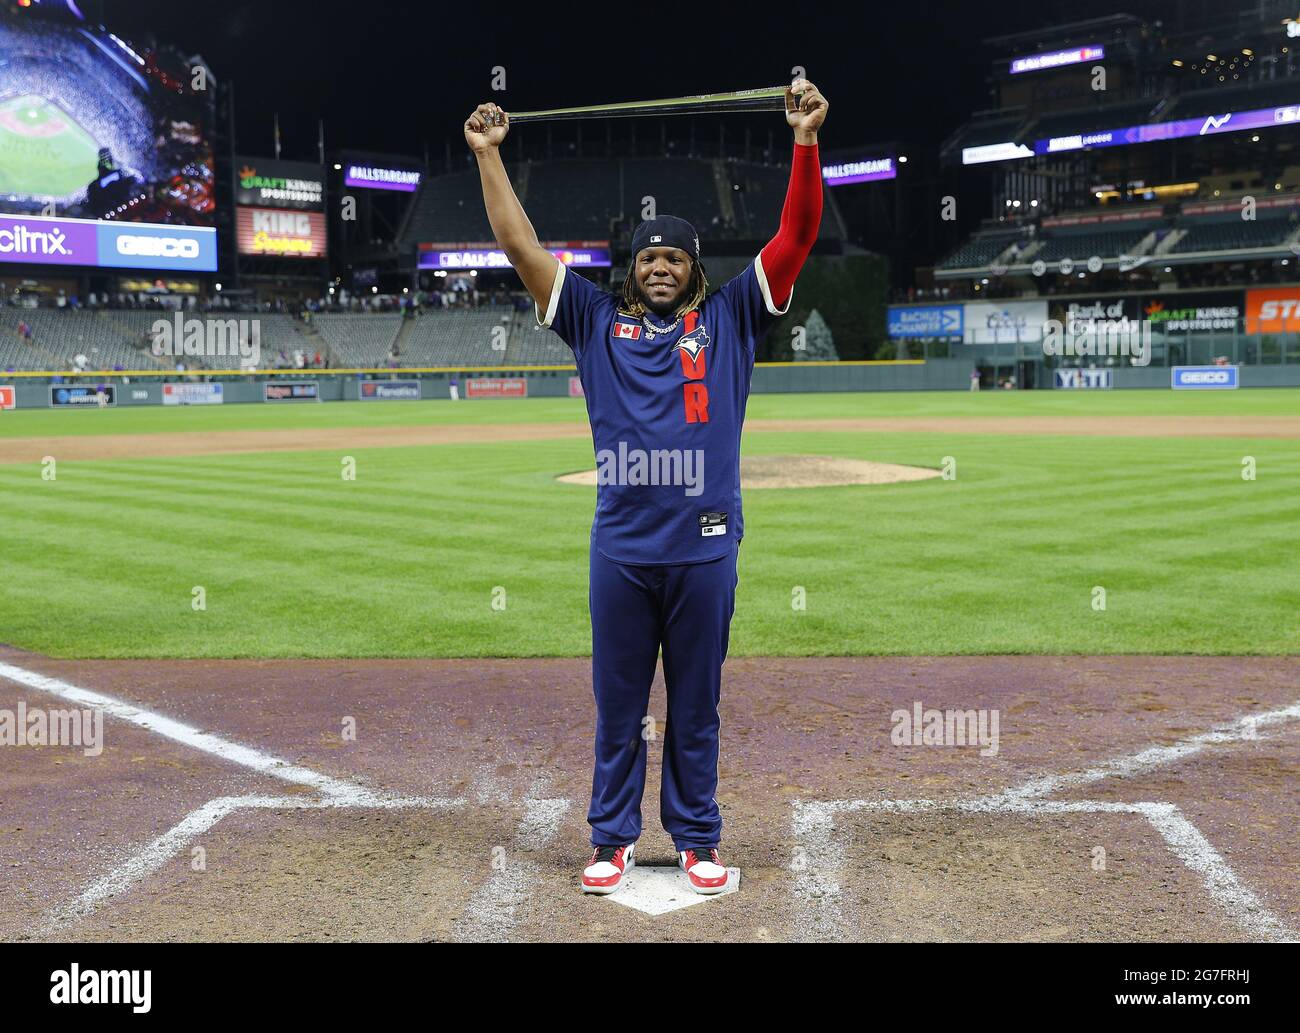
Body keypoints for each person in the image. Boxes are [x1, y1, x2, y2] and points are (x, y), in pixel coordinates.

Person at [465, 78, 827, 896]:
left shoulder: (732, 317)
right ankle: (612, 837)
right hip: (621, 548)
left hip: (703, 548)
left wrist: (804, 142)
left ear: (696, 268)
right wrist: (489, 157)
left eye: (674, 257)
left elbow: (798, 233)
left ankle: (698, 838)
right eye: (648, 257)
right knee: (619, 706)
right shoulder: (594, 320)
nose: (660, 266)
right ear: (631, 270)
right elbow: (520, 248)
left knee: (696, 708)